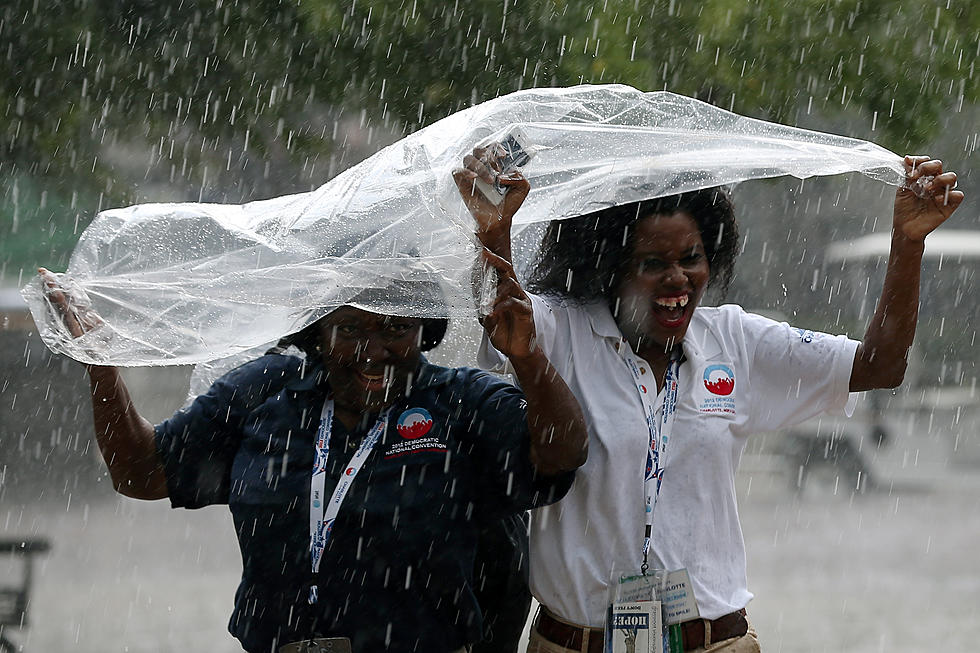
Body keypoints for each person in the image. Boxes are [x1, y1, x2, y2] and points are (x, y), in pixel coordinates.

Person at [454, 152, 962, 652]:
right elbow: (499, 310)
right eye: (652, 264)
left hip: (714, 642)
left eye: (690, 258)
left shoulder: (735, 341)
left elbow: (879, 365)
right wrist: (494, 233)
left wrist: (909, 242)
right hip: (575, 642)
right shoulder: (559, 329)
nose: (677, 279)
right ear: (610, 269)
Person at [36, 261, 588, 653]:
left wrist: (530, 358)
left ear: (425, 330)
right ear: (318, 334)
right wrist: (102, 367)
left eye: (395, 327)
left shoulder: (462, 400)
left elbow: (563, 453)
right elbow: (142, 473)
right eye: (350, 329)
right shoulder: (265, 393)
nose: (374, 349)